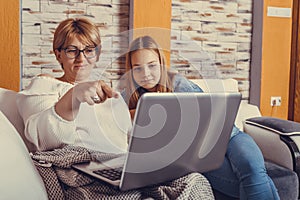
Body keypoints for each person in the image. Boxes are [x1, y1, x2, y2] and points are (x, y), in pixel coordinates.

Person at [121, 35, 280, 200]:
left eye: (152, 65)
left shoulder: (179, 85)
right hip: (202, 154)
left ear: (161, 64)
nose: (145, 74)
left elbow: (212, 117)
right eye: (138, 68)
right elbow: (112, 118)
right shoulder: (128, 96)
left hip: (230, 137)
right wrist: (135, 112)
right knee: (253, 181)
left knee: (252, 167)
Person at [16, 18, 132, 154]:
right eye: (72, 50)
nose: (81, 58)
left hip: (119, 169)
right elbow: (42, 140)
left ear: (98, 55)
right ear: (58, 55)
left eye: (89, 50)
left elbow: (129, 142)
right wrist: (74, 95)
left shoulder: (110, 95)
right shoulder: (45, 84)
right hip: (79, 169)